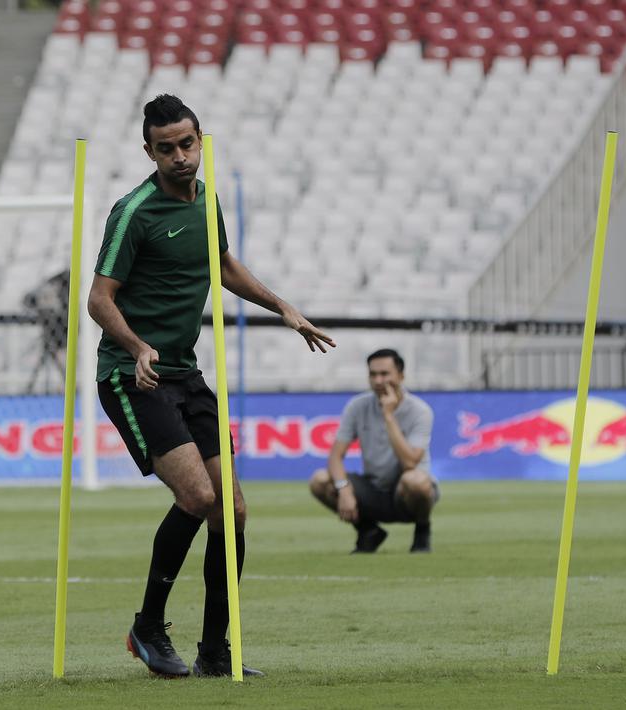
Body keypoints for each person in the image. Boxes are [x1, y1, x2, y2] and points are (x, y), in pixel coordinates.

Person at [88, 94, 335, 678]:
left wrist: (281, 306)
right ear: (148, 151)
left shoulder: (208, 198)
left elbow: (221, 266)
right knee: (199, 499)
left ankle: (215, 655)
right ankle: (148, 626)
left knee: (234, 512)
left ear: (201, 140)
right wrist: (137, 346)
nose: (179, 156)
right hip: (132, 375)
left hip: (186, 374)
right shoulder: (133, 212)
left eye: (187, 143)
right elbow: (99, 299)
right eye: (166, 148)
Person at [308, 348, 438, 554]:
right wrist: (343, 489)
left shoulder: (420, 411)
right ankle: (368, 531)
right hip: (373, 488)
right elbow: (335, 456)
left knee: (417, 481)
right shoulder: (357, 406)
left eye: (385, 374)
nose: (378, 380)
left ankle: (422, 530)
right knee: (320, 480)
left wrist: (388, 416)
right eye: (373, 374)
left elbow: (410, 463)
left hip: (405, 493)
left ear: (401, 376)